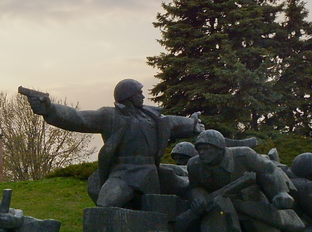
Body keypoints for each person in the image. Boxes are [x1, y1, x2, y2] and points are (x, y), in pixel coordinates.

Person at [24, 79, 203, 207]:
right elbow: (78, 118)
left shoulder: (152, 116)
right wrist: (50, 108)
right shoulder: (110, 116)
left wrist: (193, 124)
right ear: (128, 96)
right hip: (123, 172)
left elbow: (173, 122)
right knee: (106, 204)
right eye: (139, 92)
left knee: (165, 203)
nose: (143, 95)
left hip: (150, 171)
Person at [186, 130, 309, 232]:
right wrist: (198, 198)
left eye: (206, 149)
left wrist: (281, 192)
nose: (201, 153)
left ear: (219, 149)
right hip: (221, 206)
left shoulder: (243, 155)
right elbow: (195, 187)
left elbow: (269, 170)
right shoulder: (194, 165)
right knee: (215, 229)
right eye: (199, 149)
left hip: (251, 204)